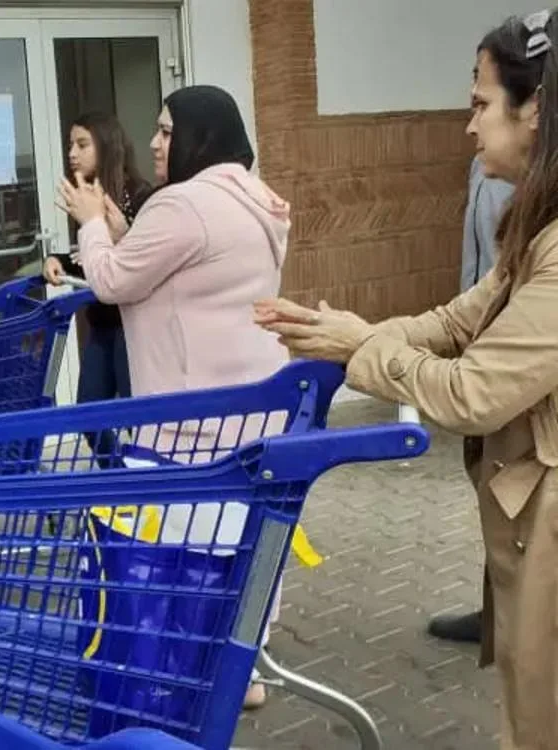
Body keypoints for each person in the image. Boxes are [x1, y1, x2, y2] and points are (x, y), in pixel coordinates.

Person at [255, 11, 558, 746]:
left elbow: (472, 392)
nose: (469, 126)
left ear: (535, 110)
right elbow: (455, 322)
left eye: (481, 103)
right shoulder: (537, 230)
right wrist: (348, 334)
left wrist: (362, 347)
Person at [56, 85, 293, 710]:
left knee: (178, 559)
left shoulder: (184, 204)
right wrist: (122, 229)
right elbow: (179, 268)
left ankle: (176, 681)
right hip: (249, 414)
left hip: (185, 424)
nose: (156, 142)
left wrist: (91, 225)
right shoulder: (251, 197)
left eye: (166, 130)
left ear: (199, 136)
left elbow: (112, 281)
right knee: (234, 547)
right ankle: (240, 667)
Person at [428, 154, 513, 645]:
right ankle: (497, 612)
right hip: (479, 335)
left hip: (518, 352)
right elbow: (478, 263)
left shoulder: (538, 172)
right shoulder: (486, 162)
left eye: (482, 114)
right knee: (488, 479)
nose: (472, 124)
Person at [43, 112, 155, 467]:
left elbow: (146, 260)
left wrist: (123, 234)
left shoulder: (142, 196)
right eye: (70, 145)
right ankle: (121, 474)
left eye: (82, 144)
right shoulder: (86, 196)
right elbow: (90, 255)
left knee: (140, 421)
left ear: (106, 146)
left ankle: (150, 484)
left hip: (134, 325)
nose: (72, 153)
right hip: (102, 322)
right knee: (88, 414)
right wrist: (58, 259)